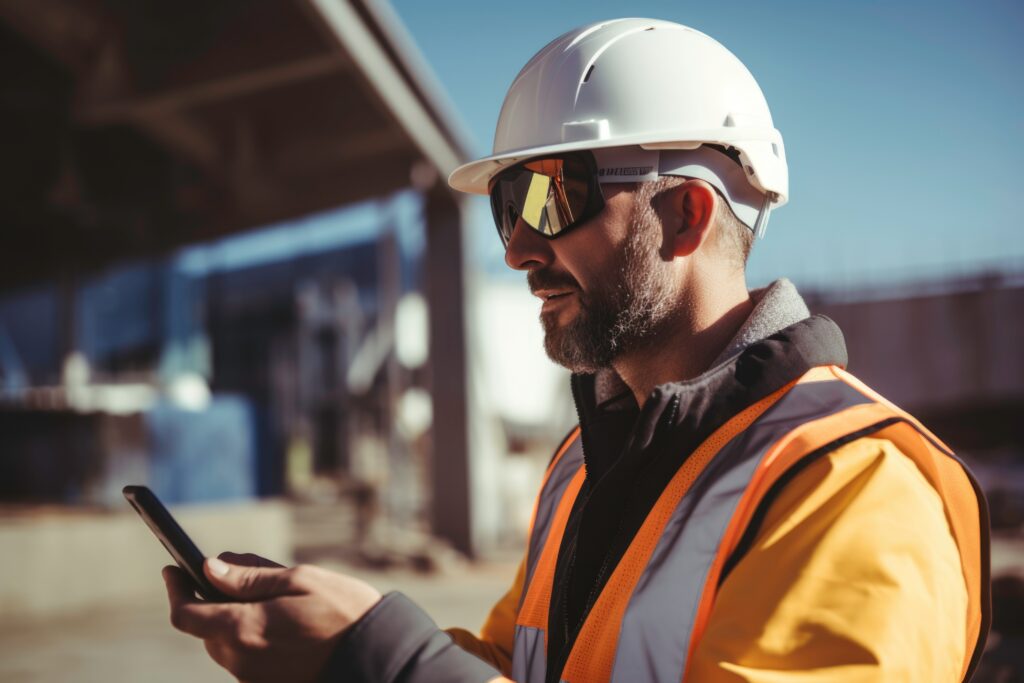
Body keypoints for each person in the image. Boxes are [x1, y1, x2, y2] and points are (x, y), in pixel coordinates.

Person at [163, 18, 990, 682]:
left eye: (552, 196)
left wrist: (386, 663)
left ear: (689, 216)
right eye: (505, 206)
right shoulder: (580, 462)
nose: (519, 246)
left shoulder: (854, 487)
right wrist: (343, 643)